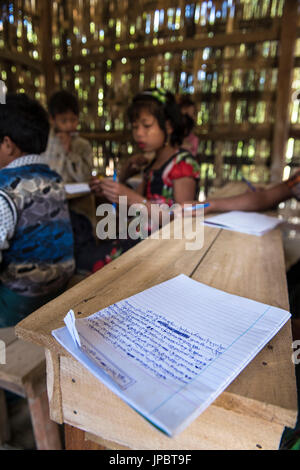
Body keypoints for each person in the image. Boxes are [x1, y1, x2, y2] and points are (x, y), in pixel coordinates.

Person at [0, 93, 75, 327]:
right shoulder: (54, 179)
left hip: (23, 297)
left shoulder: (5, 189)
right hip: (61, 283)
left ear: (8, 144)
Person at [91, 88, 200, 211]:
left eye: (146, 126)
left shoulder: (183, 164)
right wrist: (112, 187)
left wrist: (131, 197)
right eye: (135, 127)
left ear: (168, 126)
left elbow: (183, 216)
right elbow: (131, 211)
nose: (139, 133)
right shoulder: (153, 165)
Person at [43, 90, 93, 183]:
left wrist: (69, 152)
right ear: (52, 120)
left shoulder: (83, 145)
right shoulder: (44, 143)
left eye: (73, 120)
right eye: (64, 121)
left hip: (77, 196)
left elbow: (85, 177)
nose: (69, 125)